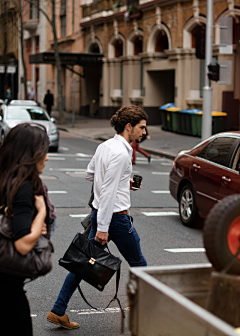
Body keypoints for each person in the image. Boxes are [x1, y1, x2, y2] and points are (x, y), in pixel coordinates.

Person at [47, 105, 148, 329]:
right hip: (115, 220)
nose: (144, 132)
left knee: (82, 264)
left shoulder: (105, 146)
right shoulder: (122, 153)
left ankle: (58, 310)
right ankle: (148, 311)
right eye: (141, 128)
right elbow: (109, 192)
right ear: (128, 127)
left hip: (99, 216)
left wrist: (123, 182)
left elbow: (90, 174)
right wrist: (104, 227)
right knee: (140, 265)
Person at [0, 123, 53, 336]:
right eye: (43, 151)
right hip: (7, 292)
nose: (47, 158)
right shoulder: (22, 187)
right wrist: (40, 213)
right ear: (30, 154)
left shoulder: (4, 180)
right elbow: (22, 244)